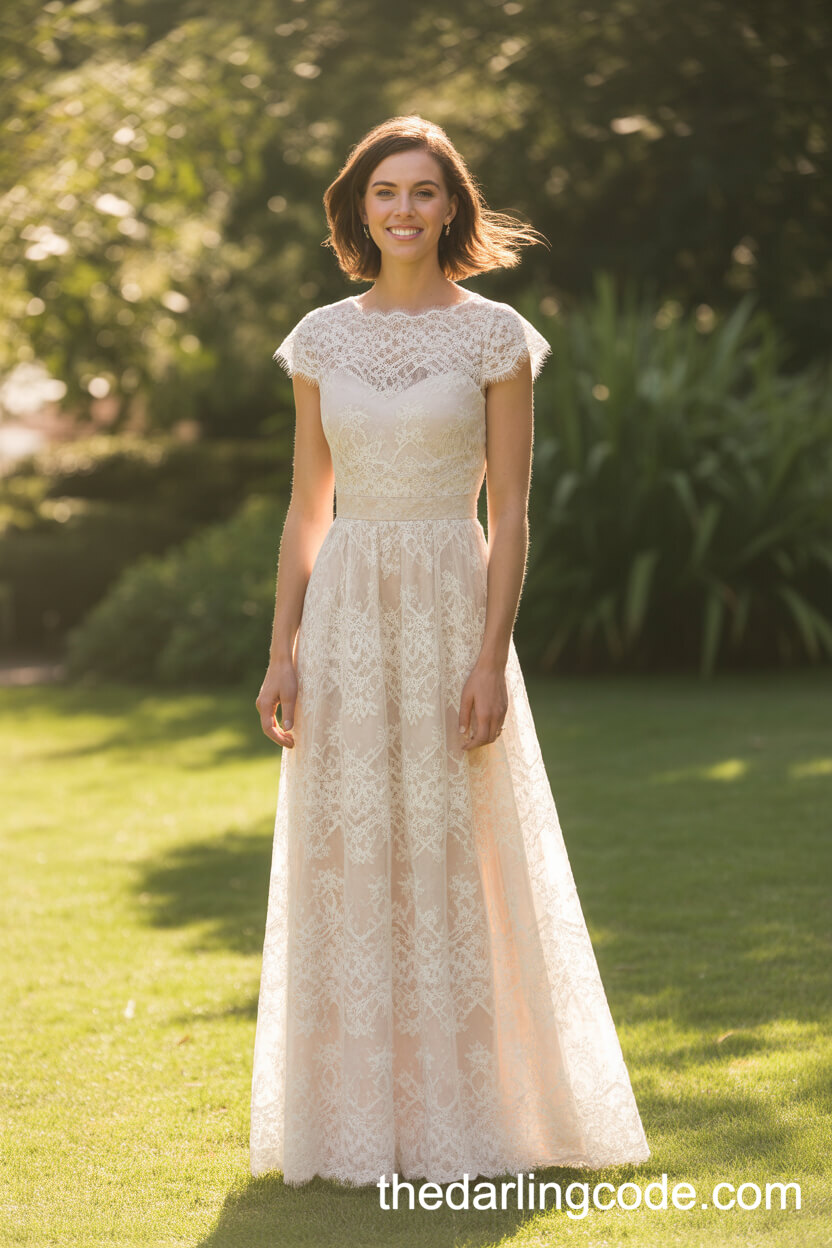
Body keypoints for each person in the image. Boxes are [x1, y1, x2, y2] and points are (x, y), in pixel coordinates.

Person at [250, 114, 650, 1187]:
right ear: (358, 208)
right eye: (387, 191)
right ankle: (350, 1130)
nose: (404, 210)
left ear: (452, 206)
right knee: (349, 860)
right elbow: (303, 508)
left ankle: (474, 1120)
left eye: (425, 191)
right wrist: (282, 650)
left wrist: (488, 657)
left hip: (447, 609)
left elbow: (511, 511)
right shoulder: (320, 338)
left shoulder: (495, 336)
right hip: (343, 616)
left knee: (457, 856)